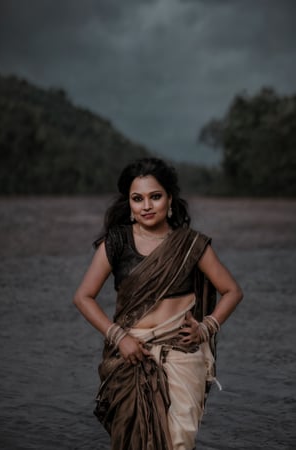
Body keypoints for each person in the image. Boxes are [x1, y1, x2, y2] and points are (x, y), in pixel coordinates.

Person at [73, 157, 243, 450]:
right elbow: (83, 297)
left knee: (178, 442)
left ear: (170, 200)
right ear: (129, 203)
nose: (147, 206)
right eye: (137, 199)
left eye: (155, 196)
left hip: (181, 355)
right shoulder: (116, 243)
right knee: (132, 440)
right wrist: (119, 337)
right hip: (130, 354)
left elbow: (232, 291)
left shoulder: (190, 245)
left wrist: (206, 328)